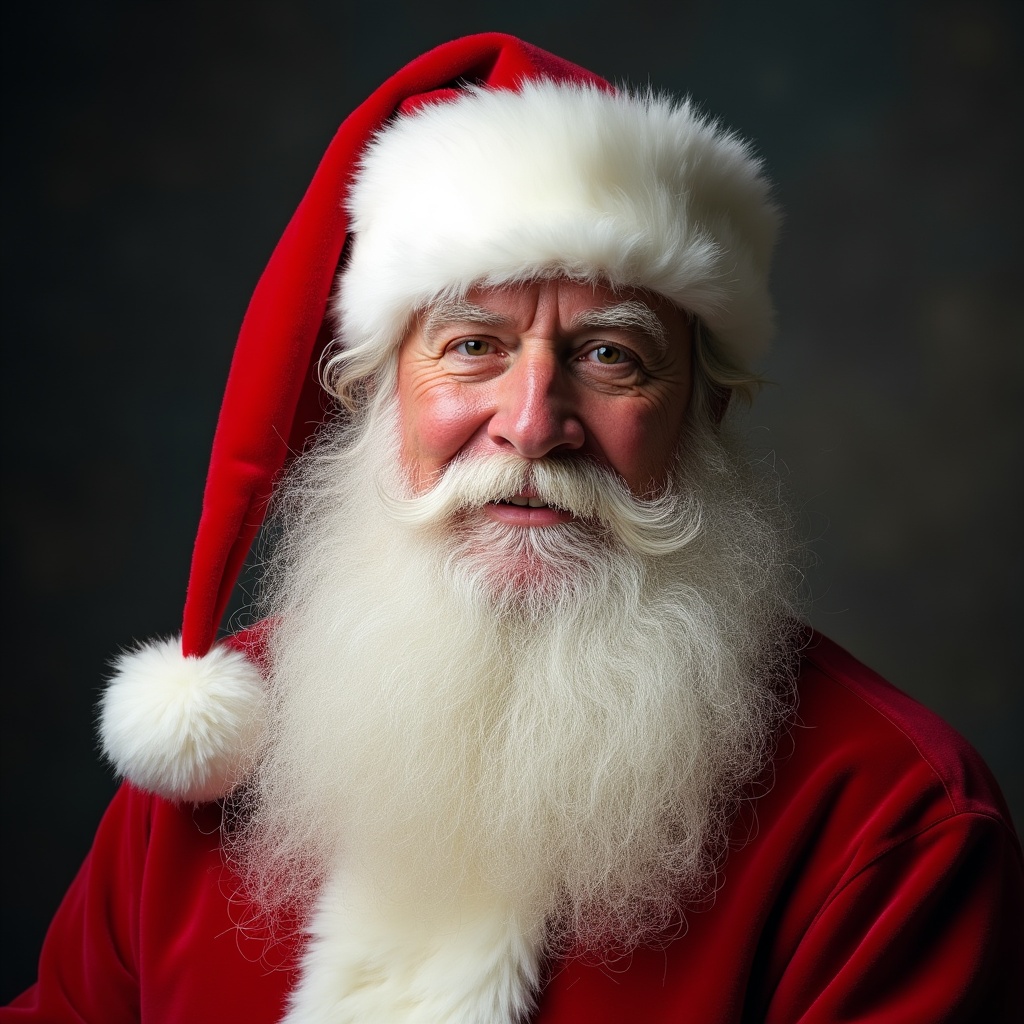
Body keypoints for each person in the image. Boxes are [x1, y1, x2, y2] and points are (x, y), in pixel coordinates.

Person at [4, 31, 1022, 1024]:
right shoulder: (217, 756)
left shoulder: (894, 824)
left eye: (612, 355)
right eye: (471, 346)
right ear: (378, 391)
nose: (532, 423)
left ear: (702, 411)